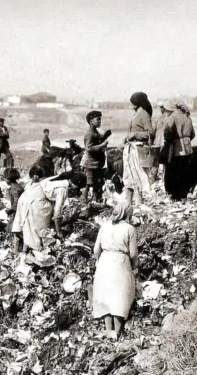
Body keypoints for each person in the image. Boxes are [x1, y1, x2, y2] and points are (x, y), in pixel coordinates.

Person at [12, 167, 86, 251]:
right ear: (75, 184)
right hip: (35, 201)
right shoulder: (63, 189)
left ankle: (20, 251)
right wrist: (59, 232)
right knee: (38, 230)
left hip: (26, 197)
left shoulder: (58, 178)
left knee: (27, 226)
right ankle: (35, 251)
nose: (77, 190)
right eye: (78, 187)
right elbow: (57, 214)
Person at [93, 202, 138, 339]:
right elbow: (133, 253)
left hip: (105, 261)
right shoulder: (129, 229)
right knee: (120, 296)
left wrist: (98, 260)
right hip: (121, 262)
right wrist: (134, 266)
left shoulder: (104, 226)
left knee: (105, 295)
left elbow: (96, 249)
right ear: (127, 213)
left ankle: (108, 330)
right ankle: (117, 332)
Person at [124, 92, 155, 204]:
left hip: (138, 150)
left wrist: (135, 134)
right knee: (129, 176)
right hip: (131, 149)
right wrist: (127, 138)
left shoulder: (144, 114)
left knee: (139, 177)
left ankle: (139, 203)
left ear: (137, 102)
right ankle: (129, 203)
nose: (131, 104)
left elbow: (150, 133)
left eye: (132, 102)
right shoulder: (136, 114)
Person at [161, 101, 196, 201]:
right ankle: (183, 195)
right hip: (188, 148)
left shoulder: (172, 117)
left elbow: (167, 132)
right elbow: (193, 134)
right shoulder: (187, 117)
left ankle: (174, 195)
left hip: (176, 148)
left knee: (173, 171)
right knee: (184, 172)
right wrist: (186, 140)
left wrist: (169, 142)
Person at [82, 110, 112, 202]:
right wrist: (102, 145)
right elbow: (89, 148)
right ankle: (84, 199)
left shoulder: (95, 132)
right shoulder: (89, 133)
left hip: (96, 163)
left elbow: (98, 140)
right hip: (91, 163)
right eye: (98, 119)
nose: (100, 121)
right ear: (91, 121)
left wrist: (105, 136)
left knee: (96, 183)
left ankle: (94, 200)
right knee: (87, 182)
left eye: (100, 120)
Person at [5, 168, 24, 254]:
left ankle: (16, 250)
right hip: (20, 211)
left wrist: (10, 211)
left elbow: (16, 203)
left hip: (17, 213)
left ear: (8, 179)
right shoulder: (19, 186)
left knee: (15, 230)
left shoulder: (14, 189)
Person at [152, 102, 168, 185]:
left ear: (163, 108)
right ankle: (164, 181)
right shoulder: (170, 118)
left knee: (155, 163)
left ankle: (152, 181)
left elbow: (153, 132)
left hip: (156, 143)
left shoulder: (157, 119)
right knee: (166, 164)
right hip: (165, 144)